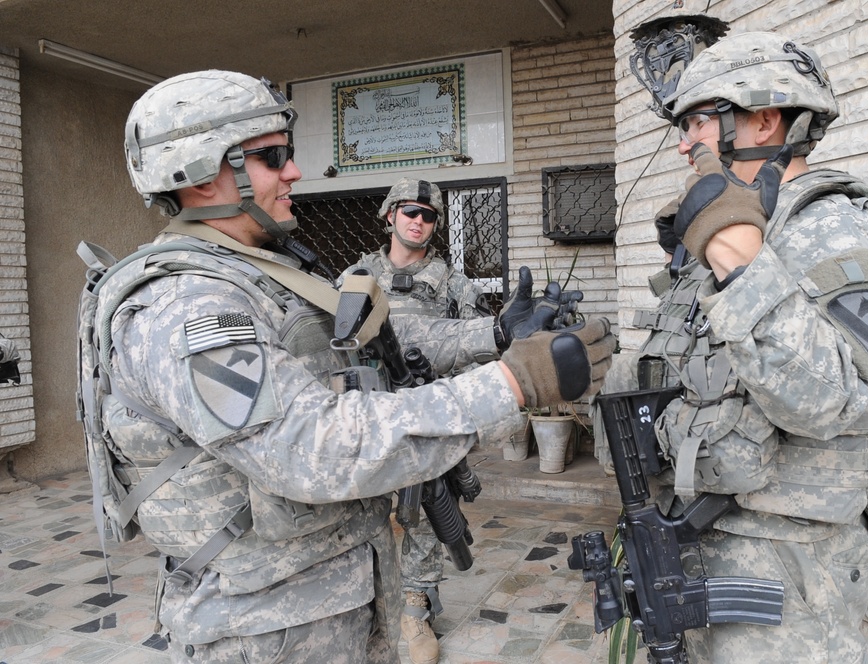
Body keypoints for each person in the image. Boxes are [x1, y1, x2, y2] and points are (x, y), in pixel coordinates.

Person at [90, 69, 615, 664]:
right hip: (265, 626)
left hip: (324, 599)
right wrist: (513, 385)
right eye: (273, 157)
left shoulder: (263, 275)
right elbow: (309, 446)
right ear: (203, 170)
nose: (293, 172)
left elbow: (389, 343)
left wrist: (493, 333)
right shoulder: (190, 305)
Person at [599, 32, 868, 663]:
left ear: (764, 120)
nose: (684, 141)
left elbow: (830, 399)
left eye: (698, 120)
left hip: (792, 558)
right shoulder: (733, 227)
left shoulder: (831, 228)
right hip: (701, 529)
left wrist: (742, 269)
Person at [338, 177, 489, 664]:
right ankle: (362, 600)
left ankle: (416, 606)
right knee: (360, 509)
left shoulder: (454, 284)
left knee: (423, 510)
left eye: (427, 215)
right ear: (389, 216)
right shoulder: (357, 276)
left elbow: (475, 352)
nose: (418, 221)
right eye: (409, 212)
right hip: (367, 415)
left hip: (426, 416)